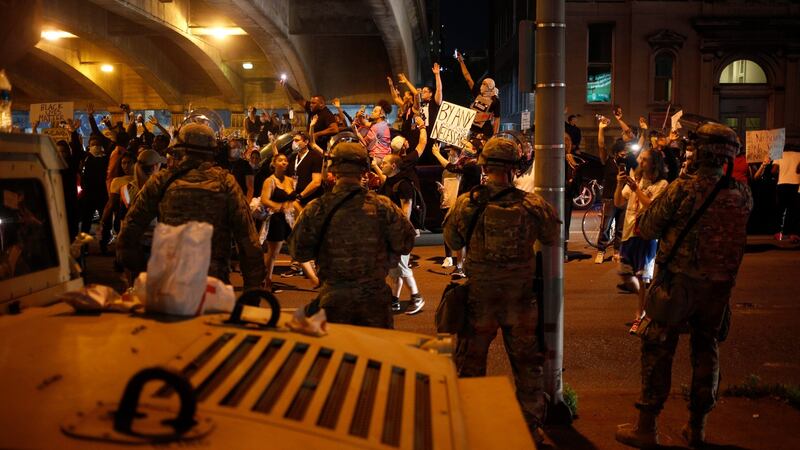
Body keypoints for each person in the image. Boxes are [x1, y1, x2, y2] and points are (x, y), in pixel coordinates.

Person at [615, 123, 753, 449]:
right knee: (707, 351)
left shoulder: (684, 188)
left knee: (658, 349)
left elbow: (647, 227)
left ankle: (647, 427)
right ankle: (698, 427)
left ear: (700, 152)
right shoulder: (742, 193)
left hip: (677, 284)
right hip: (719, 288)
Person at [443, 136, 560, 436]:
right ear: (513, 169)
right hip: (520, 301)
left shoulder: (467, 204)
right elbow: (550, 237)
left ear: (484, 166)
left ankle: (470, 426)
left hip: (479, 299)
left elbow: (453, 241)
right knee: (526, 368)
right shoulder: (533, 205)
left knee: (470, 366)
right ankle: (530, 429)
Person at [117, 123, 265, 290]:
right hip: (212, 285)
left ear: (179, 150)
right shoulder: (226, 183)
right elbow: (248, 240)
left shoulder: (161, 181)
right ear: (213, 151)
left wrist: (141, 270)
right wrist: (253, 291)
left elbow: (130, 230)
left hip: (169, 283)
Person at [287, 141, 416, 328]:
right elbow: (406, 243)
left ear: (334, 169)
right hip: (375, 305)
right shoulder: (384, 207)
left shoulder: (317, 208)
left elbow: (298, 251)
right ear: (364, 170)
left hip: (333, 304)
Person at [614, 148, 669, 334]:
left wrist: (637, 189)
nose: (640, 162)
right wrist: (618, 184)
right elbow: (618, 202)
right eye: (640, 159)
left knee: (641, 276)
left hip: (645, 235)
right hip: (629, 232)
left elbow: (651, 206)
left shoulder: (661, 184)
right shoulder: (635, 179)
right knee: (625, 274)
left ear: (654, 163)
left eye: (644, 159)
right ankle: (649, 301)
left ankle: (640, 314)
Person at [260, 153, 318, 291]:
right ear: (274, 163)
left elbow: (292, 200)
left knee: (297, 249)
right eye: (280, 160)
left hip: (288, 219)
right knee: (273, 253)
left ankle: (315, 279)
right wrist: (278, 207)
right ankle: (266, 281)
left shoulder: (289, 180)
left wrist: (302, 211)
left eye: (286, 161)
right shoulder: (270, 181)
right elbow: (264, 199)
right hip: (275, 220)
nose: (284, 163)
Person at [377, 152, 425, 315]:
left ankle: (417, 297)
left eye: (384, 163)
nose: (381, 164)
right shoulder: (388, 183)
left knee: (402, 267)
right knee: (394, 268)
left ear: (393, 166)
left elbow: (407, 209)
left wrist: (398, 232)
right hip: (390, 232)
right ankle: (395, 301)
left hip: (400, 232)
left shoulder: (403, 184)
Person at [281, 131, 324, 279]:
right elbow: (287, 178)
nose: (294, 143)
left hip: (310, 200)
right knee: (296, 233)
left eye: (297, 140)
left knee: (310, 233)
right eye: (293, 140)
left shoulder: (315, 157)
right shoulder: (293, 158)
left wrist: (300, 196)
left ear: (306, 142)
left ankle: (313, 266)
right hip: (296, 199)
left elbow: (316, 182)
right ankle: (296, 265)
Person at [595, 117, 629, 264]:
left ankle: (617, 251)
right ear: (616, 153)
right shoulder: (608, 161)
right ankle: (601, 251)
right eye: (622, 153)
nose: (625, 155)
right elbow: (601, 146)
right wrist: (601, 129)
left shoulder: (629, 163)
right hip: (609, 198)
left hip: (623, 199)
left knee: (621, 228)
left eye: (626, 153)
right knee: (605, 226)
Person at [282, 81, 338, 150]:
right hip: (310, 145)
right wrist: (287, 85)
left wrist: (317, 134)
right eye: (311, 102)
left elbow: (335, 129)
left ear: (321, 104)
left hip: (319, 148)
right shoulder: (312, 109)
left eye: (313, 103)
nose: (310, 105)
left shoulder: (327, 114)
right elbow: (298, 98)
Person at [456, 51, 500, 137]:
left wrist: (495, 134)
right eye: (482, 83)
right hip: (472, 127)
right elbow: (468, 77)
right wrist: (461, 62)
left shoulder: (495, 100)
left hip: (485, 130)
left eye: (484, 84)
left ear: (490, 87)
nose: (482, 86)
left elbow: (497, 118)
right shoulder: (478, 93)